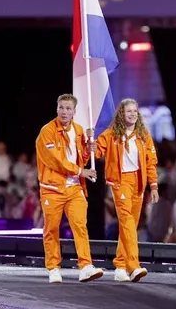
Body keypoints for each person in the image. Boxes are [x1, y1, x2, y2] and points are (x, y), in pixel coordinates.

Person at [88, 98, 159, 282]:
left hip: (139, 182)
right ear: (121, 113)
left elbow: (151, 162)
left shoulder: (143, 135)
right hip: (120, 182)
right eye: (129, 111)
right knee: (127, 222)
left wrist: (154, 186)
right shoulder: (111, 134)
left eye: (135, 111)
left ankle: (120, 266)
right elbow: (96, 153)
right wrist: (90, 145)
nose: (133, 114)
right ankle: (133, 265)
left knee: (129, 226)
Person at [35, 93, 103, 283]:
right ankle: (54, 268)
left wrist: (90, 147)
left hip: (74, 188)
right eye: (61, 107)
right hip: (52, 188)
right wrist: (81, 171)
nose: (64, 111)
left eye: (68, 108)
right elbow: (55, 160)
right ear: (57, 109)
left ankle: (86, 266)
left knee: (80, 226)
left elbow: (82, 158)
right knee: (52, 229)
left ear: (74, 112)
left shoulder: (80, 130)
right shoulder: (47, 131)